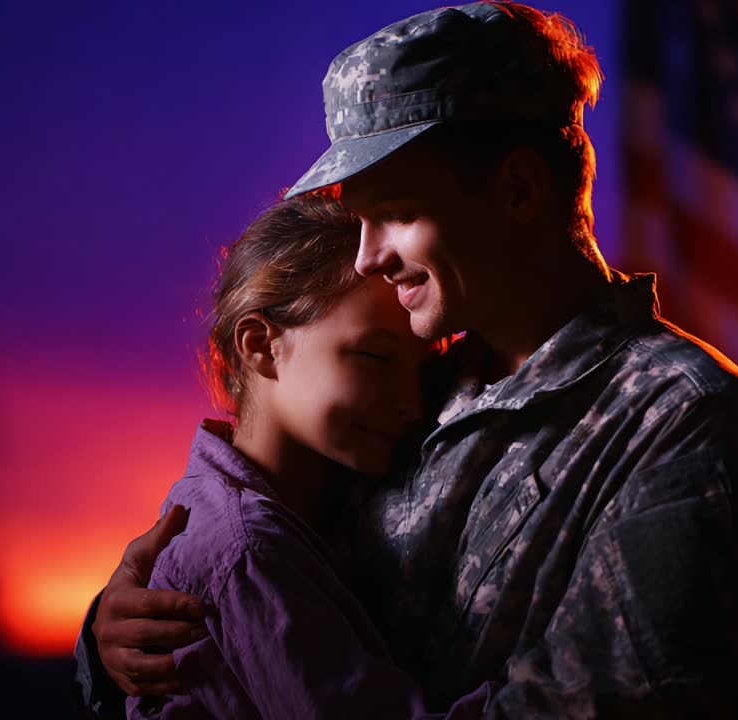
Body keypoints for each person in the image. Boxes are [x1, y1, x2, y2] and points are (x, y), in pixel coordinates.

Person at [77, 3, 738, 718]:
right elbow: (258, 553)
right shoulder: (412, 391)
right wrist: (123, 627)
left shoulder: (685, 428)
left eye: (395, 214)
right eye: (357, 221)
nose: (369, 256)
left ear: (518, 188)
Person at [119, 194, 496, 718]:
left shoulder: (306, 510)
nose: (412, 404)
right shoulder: (247, 546)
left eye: (422, 372)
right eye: (373, 356)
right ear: (260, 345)